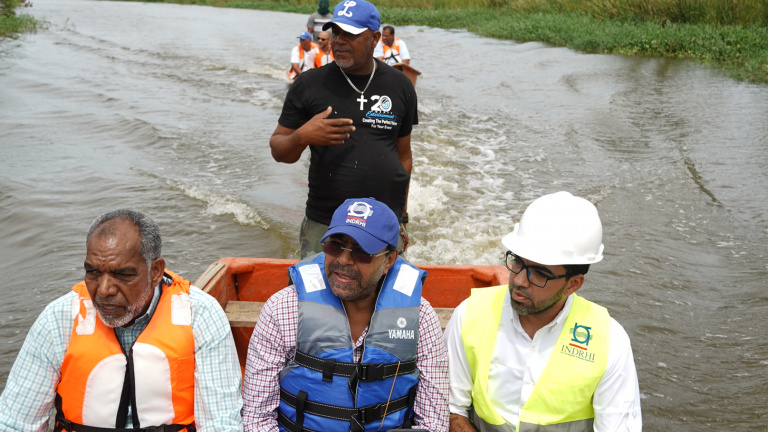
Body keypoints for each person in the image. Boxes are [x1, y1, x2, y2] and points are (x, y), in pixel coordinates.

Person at [0, 210, 243, 432]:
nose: (104, 290)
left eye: (123, 274)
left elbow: (220, 423)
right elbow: (15, 422)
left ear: (155, 271)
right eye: (93, 272)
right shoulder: (59, 318)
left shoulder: (200, 314)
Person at [241, 197, 449, 432]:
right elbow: (257, 419)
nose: (343, 259)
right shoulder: (282, 309)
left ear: (389, 260)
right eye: (335, 245)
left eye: (361, 252)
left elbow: (433, 423)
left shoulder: (420, 318)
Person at [444, 191, 642, 432]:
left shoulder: (610, 341)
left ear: (573, 284)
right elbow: (451, 408)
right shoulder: (470, 314)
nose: (519, 280)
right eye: (518, 261)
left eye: (540, 273)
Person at [269, 0, 417, 258]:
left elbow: (403, 156)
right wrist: (303, 135)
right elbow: (280, 151)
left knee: (382, 296)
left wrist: (401, 217)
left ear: (374, 38)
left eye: (350, 34)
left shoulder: (400, 86)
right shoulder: (309, 84)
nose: (338, 41)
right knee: (318, 297)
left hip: (383, 224)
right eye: (336, 32)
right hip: (326, 224)